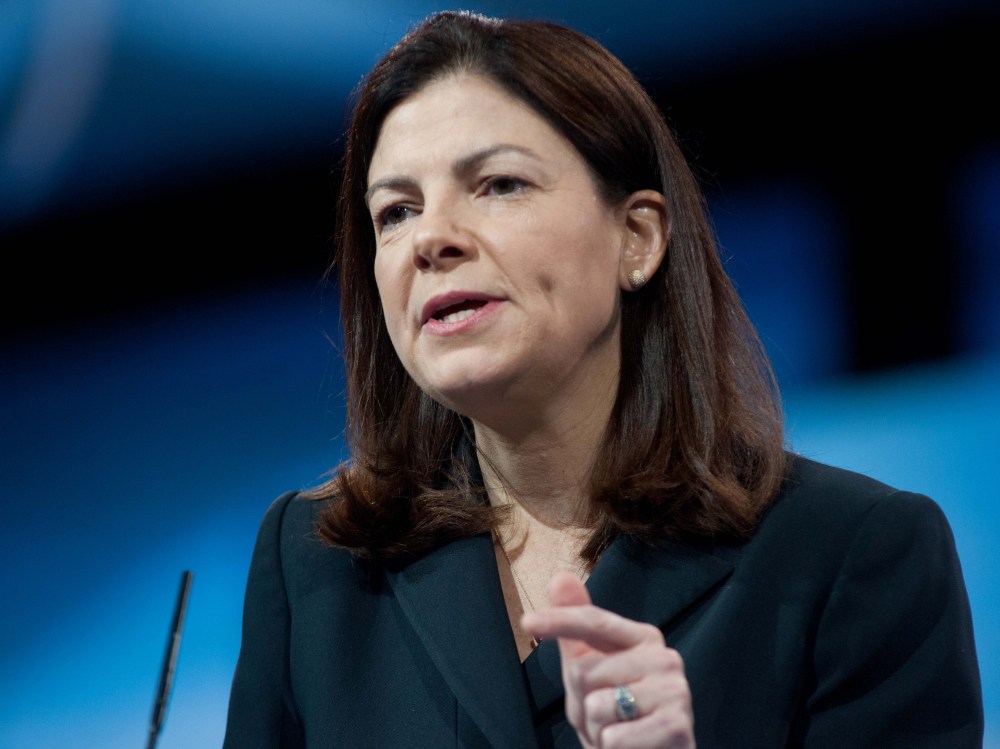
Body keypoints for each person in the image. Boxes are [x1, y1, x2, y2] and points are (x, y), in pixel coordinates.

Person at [223, 11, 982, 748]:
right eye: (395, 211)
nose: (430, 239)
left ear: (638, 238)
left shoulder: (852, 554)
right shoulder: (317, 564)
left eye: (498, 184)